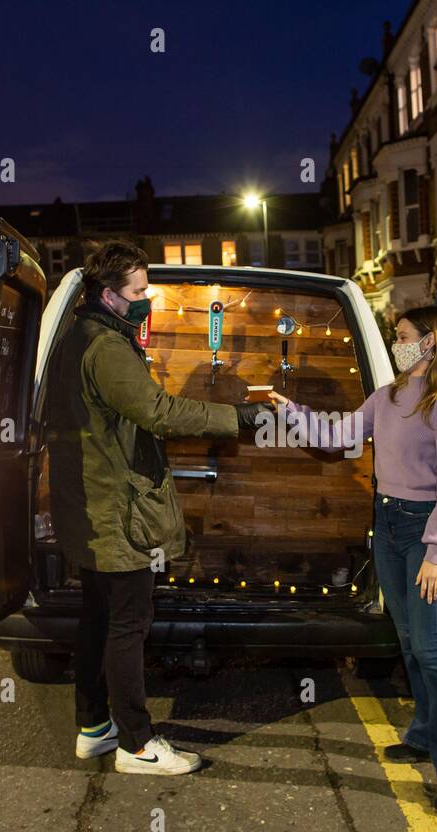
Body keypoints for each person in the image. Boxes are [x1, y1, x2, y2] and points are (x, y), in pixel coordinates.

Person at [46, 240, 269, 775]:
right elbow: (158, 411)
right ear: (110, 296)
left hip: (91, 508)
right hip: (116, 514)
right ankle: (137, 745)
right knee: (129, 622)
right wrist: (238, 416)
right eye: (140, 291)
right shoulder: (105, 347)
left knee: (99, 618)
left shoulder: (78, 337)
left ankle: (94, 727)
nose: (148, 299)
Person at [267, 305, 437, 814]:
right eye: (395, 336)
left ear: (429, 343)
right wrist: (290, 411)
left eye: (404, 336)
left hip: (425, 532)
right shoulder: (386, 397)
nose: (396, 343)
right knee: (407, 639)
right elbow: (341, 436)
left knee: (430, 648)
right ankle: (425, 733)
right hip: (386, 525)